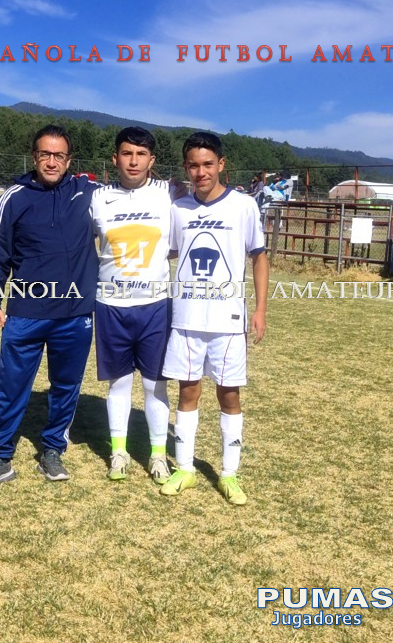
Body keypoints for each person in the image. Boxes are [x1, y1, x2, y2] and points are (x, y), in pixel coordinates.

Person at [0, 124, 98, 490]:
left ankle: (53, 450)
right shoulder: (14, 197)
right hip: (26, 313)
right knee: (11, 386)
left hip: (74, 314)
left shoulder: (88, 193)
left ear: (69, 160)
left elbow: (134, 194)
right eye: (45, 154)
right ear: (34, 156)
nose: (52, 162)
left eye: (59, 155)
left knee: (66, 386)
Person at [159, 132, 269, 506]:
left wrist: (260, 310)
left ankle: (229, 474)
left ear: (221, 164)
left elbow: (259, 256)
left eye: (208, 164)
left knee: (229, 395)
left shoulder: (244, 206)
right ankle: (185, 469)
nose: (201, 172)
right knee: (187, 392)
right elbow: (167, 253)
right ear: (185, 167)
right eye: (193, 165)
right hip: (186, 317)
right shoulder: (178, 208)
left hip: (228, 320)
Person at [91, 127, 173, 484]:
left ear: (151, 160)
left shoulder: (169, 194)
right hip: (111, 305)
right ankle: (119, 452)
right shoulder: (98, 198)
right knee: (119, 384)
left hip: (155, 305)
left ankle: (158, 456)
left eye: (141, 155)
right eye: (127, 153)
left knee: (156, 386)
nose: (133, 161)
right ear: (115, 158)